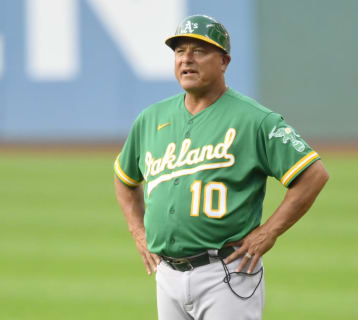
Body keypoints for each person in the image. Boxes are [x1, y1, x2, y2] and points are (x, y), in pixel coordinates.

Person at [113, 14, 329, 320]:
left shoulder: (255, 120)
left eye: (199, 51)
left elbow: (313, 174)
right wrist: (138, 231)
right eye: (179, 51)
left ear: (224, 61)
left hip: (227, 273)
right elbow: (124, 178)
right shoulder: (151, 118)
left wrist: (268, 233)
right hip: (168, 275)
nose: (187, 59)